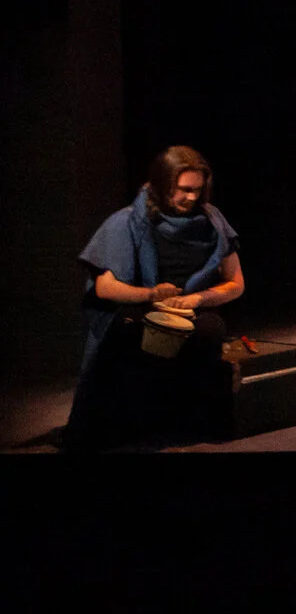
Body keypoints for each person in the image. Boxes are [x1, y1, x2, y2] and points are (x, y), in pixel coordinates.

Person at [65, 146, 246, 452]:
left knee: (208, 330)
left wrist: (197, 299)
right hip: (140, 307)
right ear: (163, 185)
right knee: (140, 334)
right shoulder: (127, 222)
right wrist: (151, 294)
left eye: (197, 190)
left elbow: (236, 283)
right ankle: (137, 419)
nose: (192, 197)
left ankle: (184, 418)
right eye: (184, 190)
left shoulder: (213, 221)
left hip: (190, 307)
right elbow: (105, 288)